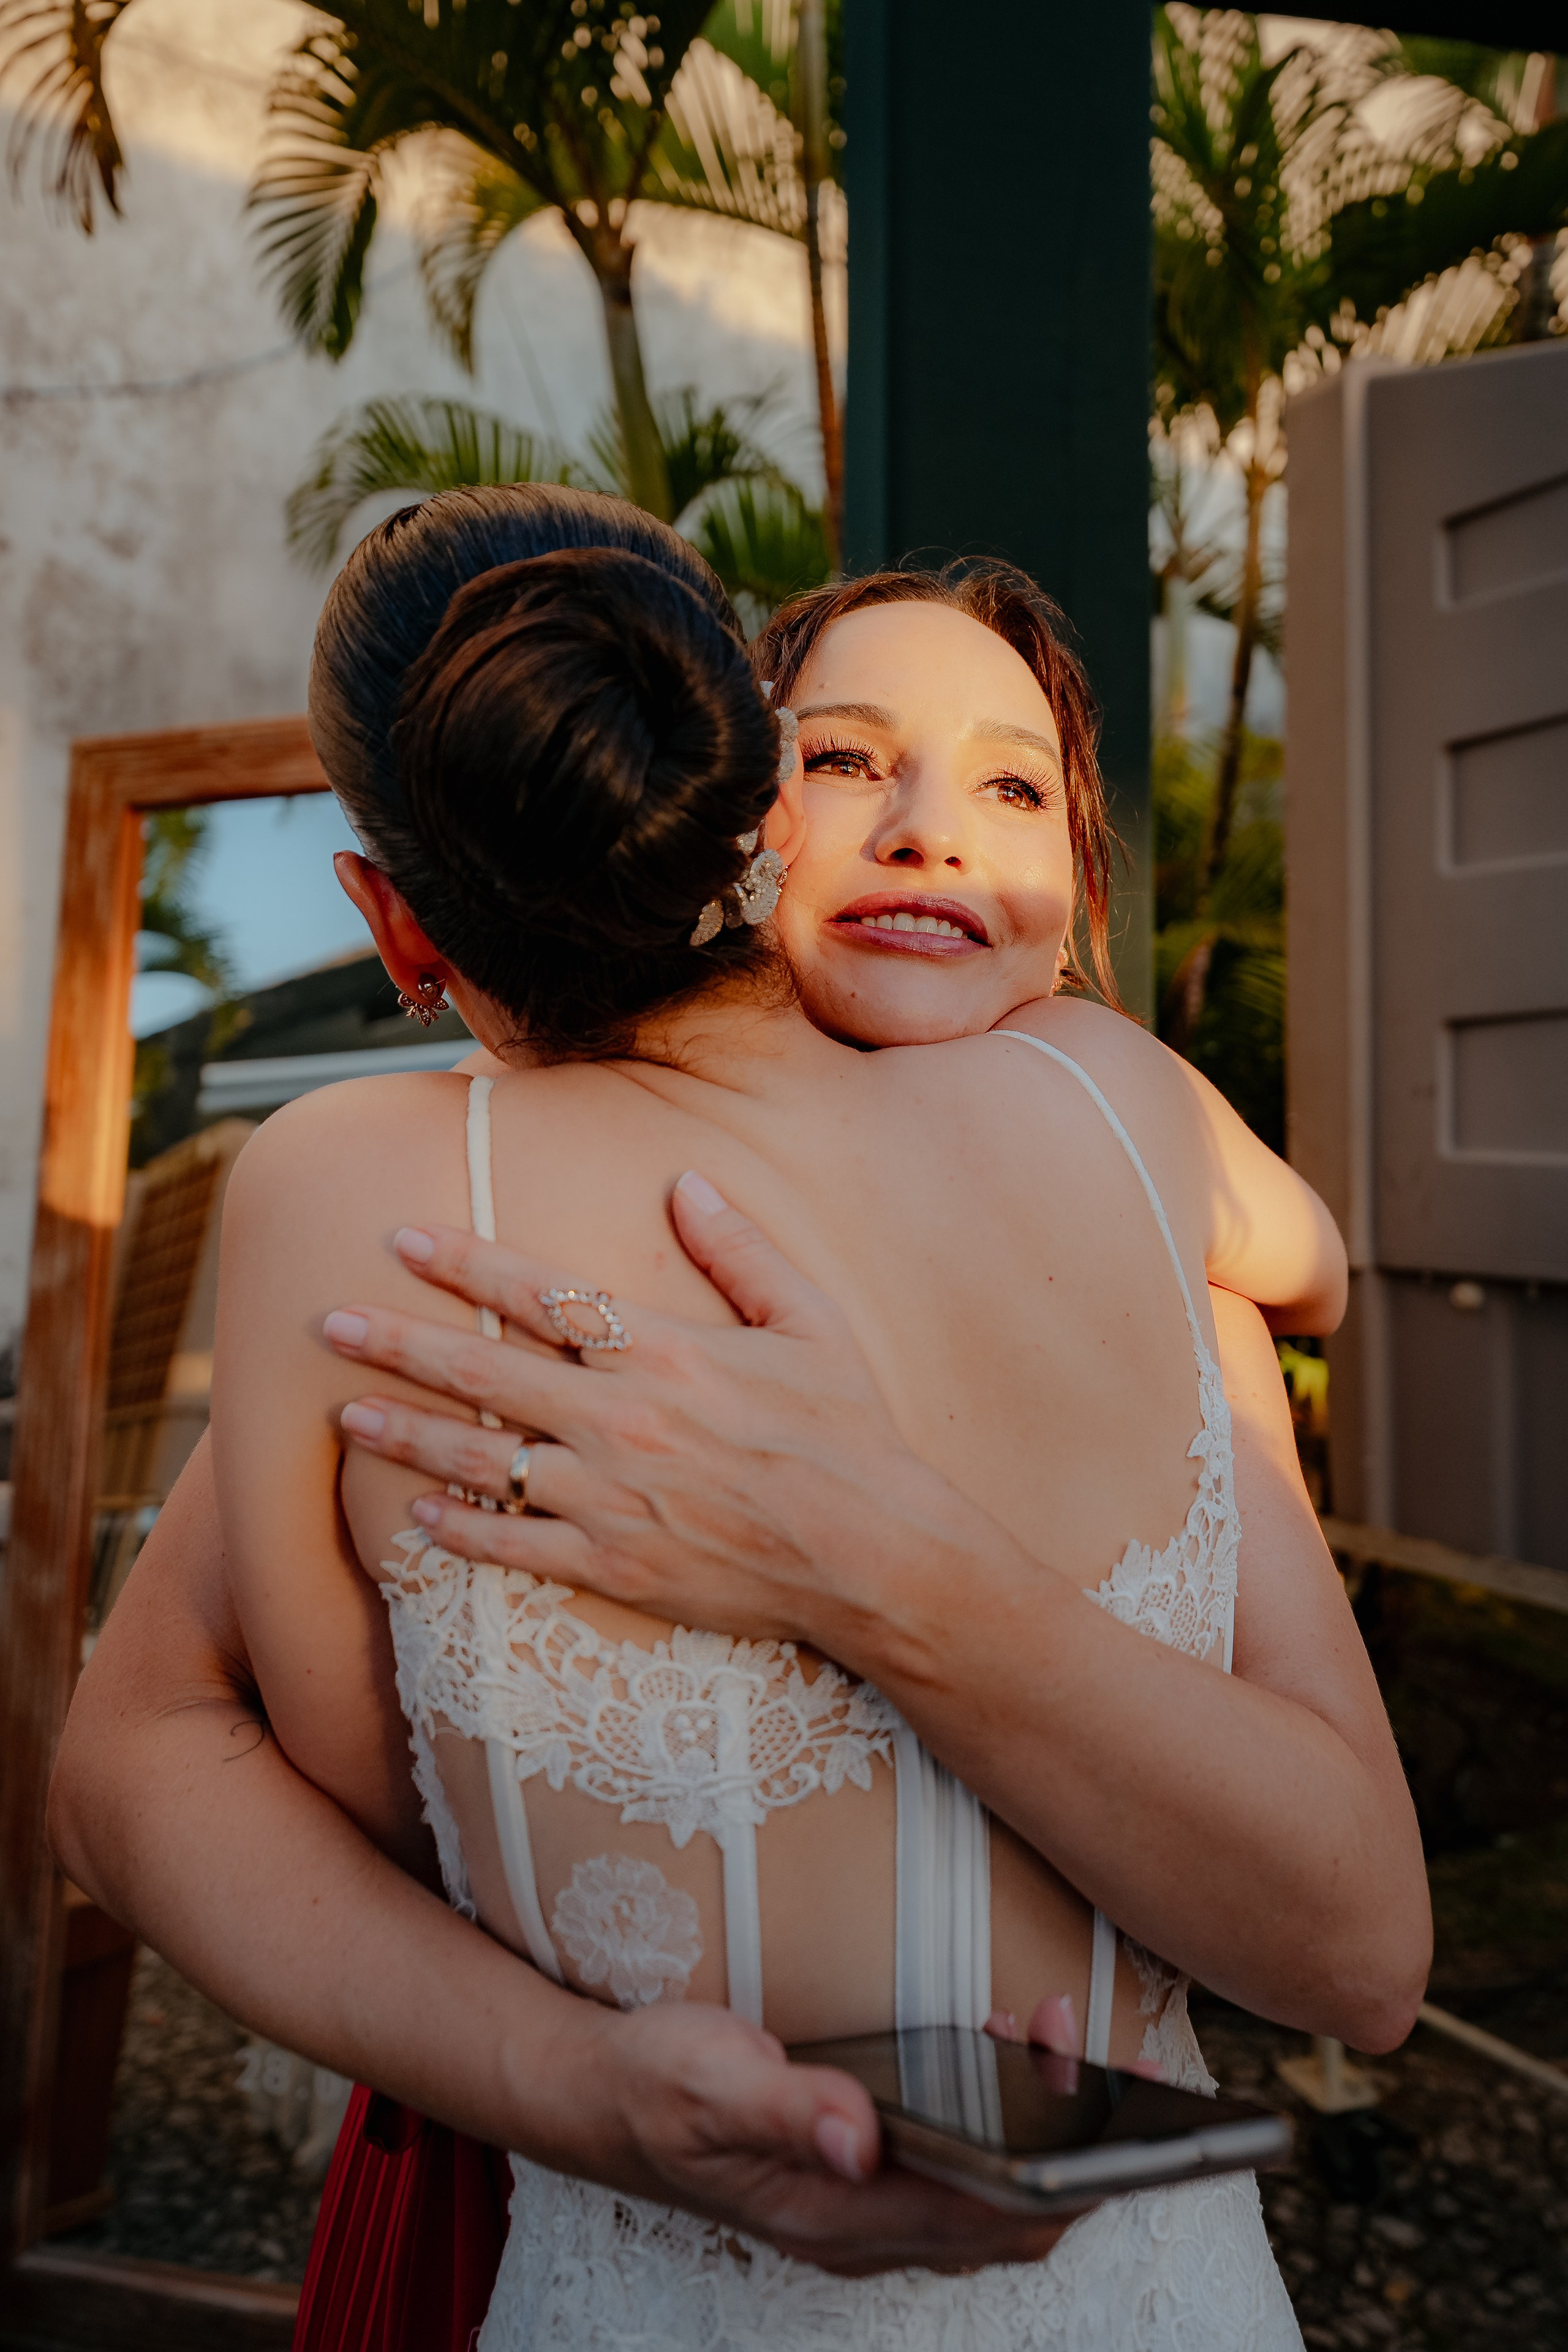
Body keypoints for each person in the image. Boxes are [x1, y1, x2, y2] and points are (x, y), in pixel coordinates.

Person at [47, 491, 1424, 2343]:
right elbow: (145, 1767)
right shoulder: (1141, 1131)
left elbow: (378, 1796)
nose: (930, 833)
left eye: (1014, 788)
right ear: (756, 804)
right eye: (850, 758)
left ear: (395, 917)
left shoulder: (373, 1207)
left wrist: (861, 1560)